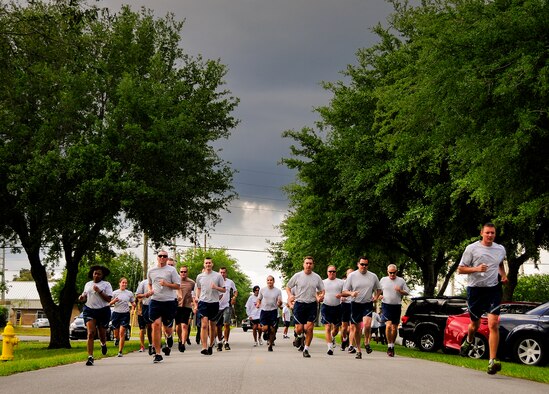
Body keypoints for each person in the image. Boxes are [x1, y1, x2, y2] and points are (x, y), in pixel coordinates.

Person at [458, 222, 508, 375]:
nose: (490, 235)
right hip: (475, 291)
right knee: (475, 324)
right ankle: (469, 340)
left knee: (493, 324)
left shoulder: (500, 249)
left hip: (493, 289)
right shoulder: (471, 249)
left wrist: (503, 275)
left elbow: (499, 264)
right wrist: (476, 269)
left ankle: (492, 361)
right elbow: (460, 269)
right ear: (481, 233)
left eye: (492, 233)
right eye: (487, 233)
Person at [342, 257, 381, 360]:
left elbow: (379, 289)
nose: (364, 266)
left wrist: (376, 297)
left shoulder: (373, 276)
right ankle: (359, 350)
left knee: (367, 325)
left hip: (367, 303)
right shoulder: (352, 276)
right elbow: (344, 291)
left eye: (366, 265)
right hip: (355, 304)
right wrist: (351, 293)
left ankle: (367, 342)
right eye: (362, 264)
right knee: (357, 329)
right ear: (358, 264)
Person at [285, 256, 325, 358]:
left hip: (311, 304)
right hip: (299, 304)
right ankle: (298, 336)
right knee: (299, 328)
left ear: (313, 265)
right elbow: (288, 286)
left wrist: (321, 296)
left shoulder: (317, 277)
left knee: (309, 328)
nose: (308, 265)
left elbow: (322, 289)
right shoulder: (297, 276)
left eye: (310, 263)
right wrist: (290, 295)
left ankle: (306, 349)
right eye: (307, 263)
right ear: (303, 264)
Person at [146, 251, 181, 363]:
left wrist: (166, 284)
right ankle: (157, 353)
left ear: (167, 258)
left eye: (164, 256)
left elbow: (177, 286)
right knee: (156, 325)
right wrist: (150, 290)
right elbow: (150, 283)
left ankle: (169, 336)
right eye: (160, 256)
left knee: (167, 327)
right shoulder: (151, 270)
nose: (162, 258)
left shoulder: (172, 270)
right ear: (157, 258)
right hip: (155, 301)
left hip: (169, 301)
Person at [78, 265, 113, 366]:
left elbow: (109, 299)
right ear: (92, 274)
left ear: (102, 275)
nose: (96, 275)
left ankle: (103, 344)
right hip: (89, 310)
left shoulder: (106, 285)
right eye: (95, 273)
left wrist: (99, 291)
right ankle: (90, 357)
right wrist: (82, 297)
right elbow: (84, 296)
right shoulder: (88, 284)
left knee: (102, 334)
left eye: (99, 274)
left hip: (103, 310)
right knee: (90, 333)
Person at [195, 257, 226, 355]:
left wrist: (216, 287)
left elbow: (224, 290)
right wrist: (197, 297)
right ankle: (204, 347)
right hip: (203, 302)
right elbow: (198, 288)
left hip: (214, 302)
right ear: (204, 265)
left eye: (209, 263)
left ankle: (210, 345)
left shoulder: (218, 276)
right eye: (206, 263)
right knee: (204, 325)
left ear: (212, 264)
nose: (208, 264)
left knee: (212, 325)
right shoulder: (200, 276)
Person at [379, 264, 409, 357]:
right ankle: (389, 346)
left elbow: (407, 291)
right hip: (386, 305)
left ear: (396, 272)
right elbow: (377, 290)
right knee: (388, 326)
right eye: (390, 272)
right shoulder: (383, 280)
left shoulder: (401, 280)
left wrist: (400, 290)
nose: (392, 274)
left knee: (394, 328)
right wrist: (378, 296)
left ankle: (392, 346)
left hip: (396, 305)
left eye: (394, 272)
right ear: (387, 272)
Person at [109, 277, 136, 357]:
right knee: (116, 333)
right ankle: (116, 339)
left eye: (125, 283)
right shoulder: (114, 293)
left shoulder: (129, 293)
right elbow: (109, 303)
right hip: (116, 314)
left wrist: (133, 305)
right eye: (123, 282)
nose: (124, 284)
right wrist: (114, 301)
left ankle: (120, 351)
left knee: (122, 332)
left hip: (125, 314)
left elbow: (132, 302)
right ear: (119, 283)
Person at [321, 265, 344, 355]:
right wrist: (319, 297)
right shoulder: (323, 282)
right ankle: (330, 347)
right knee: (327, 327)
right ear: (327, 272)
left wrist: (341, 295)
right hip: (326, 306)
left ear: (336, 272)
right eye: (330, 271)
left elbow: (346, 292)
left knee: (336, 329)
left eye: (333, 271)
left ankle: (332, 336)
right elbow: (317, 292)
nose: (332, 273)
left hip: (337, 307)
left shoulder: (341, 282)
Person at [256, 275, 283, 351]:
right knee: (264, 328)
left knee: (272, 329)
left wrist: (279, 303)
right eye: (268, 280)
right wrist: (258, 304)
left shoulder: (278, 291)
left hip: (273, 311)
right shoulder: (263, 290)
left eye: (271, 280)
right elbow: (259, 299)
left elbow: (279, 302)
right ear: (266, 281)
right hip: (264, 311)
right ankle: (265, 333)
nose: (269, 281)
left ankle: (270, 345)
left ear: (274, 281)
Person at [215, 267, 238, 351]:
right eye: (221, 272)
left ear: (226, 273)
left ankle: (226, 341)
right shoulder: (215, 281)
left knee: (226, 324)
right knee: (218, 326)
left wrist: (234, 297)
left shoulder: (230, 282)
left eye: (224, 272)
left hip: (227, 305)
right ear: (218, 273)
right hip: (217, 306)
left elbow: (235, 291)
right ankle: (220, 342)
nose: (222, 274)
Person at [176, 265, 195, 352]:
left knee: (184, 325)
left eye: (185, 272)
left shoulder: (192, 283)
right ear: (179, 273)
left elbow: (195, 294)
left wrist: (194, 304)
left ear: (187, 273)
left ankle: (183, 343)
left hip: (187, 306)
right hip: (176, 306)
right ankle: (180, 340)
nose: (183, 273)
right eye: (181, 272)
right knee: (178, 327)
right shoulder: (175, 281)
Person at [135, 278, 153, 354]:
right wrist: (145, 295)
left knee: (156, 325)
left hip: (157, 305)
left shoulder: (161, 281)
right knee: (148, 327)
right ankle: (150, 343)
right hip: (145, 307)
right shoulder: (143, 283)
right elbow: (137, 295)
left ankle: (156, 344)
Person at [340, 268, 354, 352]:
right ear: (346, 275)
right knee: (344, 328)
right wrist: (342, 296)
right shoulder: (342, 283)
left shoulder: (356, 283)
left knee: (352, 326)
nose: (351, 275)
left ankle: (351, 345)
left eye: (352, 273)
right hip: (344, 305)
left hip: (353, 305)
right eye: (349, 274)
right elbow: (339, 292)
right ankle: (344, 339)